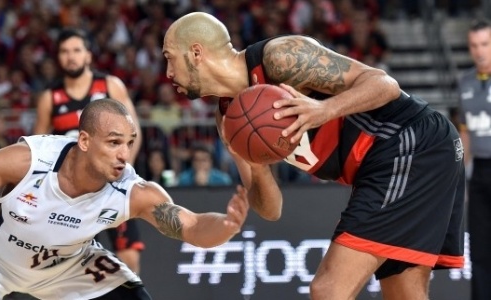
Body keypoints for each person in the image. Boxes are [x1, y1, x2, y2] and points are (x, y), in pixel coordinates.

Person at [162, 12, 465, 299]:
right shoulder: (228, 120)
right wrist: (255, 164)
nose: (168, 73)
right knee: (403, 294)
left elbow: (384, 84)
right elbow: (271, 209)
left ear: (197, 53)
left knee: (328, 290)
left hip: (410, 142)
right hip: (392, 162)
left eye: (169, 58)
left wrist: (323, 110)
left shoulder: (279, 59)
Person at [0, 98, 249, 300]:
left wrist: (227, 225)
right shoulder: (32, 160)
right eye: (114, 142)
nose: (123, 155)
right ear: (84, 140)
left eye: (128, 144)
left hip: (66, 265)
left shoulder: (132, 191)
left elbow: (189, 226)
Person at [33, 28, 145, 274]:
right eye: (64, 51)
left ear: (88, 56)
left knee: (129, 260)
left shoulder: (110, 86)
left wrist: (121, 174)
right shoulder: (50, 98)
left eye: (76, 50)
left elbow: (134, 134)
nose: (70, 56)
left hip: (110, 186)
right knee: (59, 266)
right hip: (70, 193)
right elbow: (37, 148)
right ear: (58, 58)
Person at [457, 18, 491, 300]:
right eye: (474, 45)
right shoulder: (465, 82)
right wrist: (463, 176)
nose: (479, 51)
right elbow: (465, 132)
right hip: (479, 170)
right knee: (479, 247)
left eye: (485, 44)